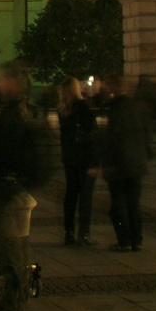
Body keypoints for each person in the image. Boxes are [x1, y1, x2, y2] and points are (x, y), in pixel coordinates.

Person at [0, 63, 48, 311]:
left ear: (12, 83)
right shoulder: (21, 111)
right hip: (15, 186)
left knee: (7, 246)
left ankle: (14, 300)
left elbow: (6, 150)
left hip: (8, 189)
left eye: (1, 80)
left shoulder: (13, 114)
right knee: (15, 244)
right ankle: (17, 297)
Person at [100, 74, 151, 252]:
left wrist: (106, 163)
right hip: (137, 163)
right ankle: (137, 240)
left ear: (114, 89)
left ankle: (124, 240)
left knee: (118, 205)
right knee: (134, 204)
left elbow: (111, 139)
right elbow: (146, 135)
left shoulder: (116, 110)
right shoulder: (140, 107)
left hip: (119, 164)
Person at [56, 77, 98, 247]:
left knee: (71, 195)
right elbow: (93, 135)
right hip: (84, 158)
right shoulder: (83, 108)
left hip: (69, 157)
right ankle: (84, 233)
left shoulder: (63, 110)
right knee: (85, 196)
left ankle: (68, 232)